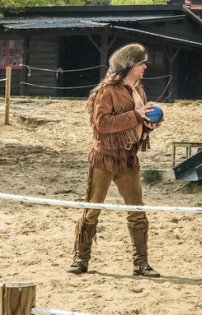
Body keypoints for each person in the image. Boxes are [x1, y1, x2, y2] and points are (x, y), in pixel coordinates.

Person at [67, 43, 162, 277]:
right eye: (141, 63)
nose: (144, 66)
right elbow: (101, 125)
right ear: (129, 66)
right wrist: (136, 115)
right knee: (92, 208)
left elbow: (136, 124)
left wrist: (148, 126)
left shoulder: (138, 90)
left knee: (137, 211)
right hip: (105, 157)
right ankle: (80, 259)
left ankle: (141, 263)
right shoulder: (106, 91)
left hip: (129, 157)